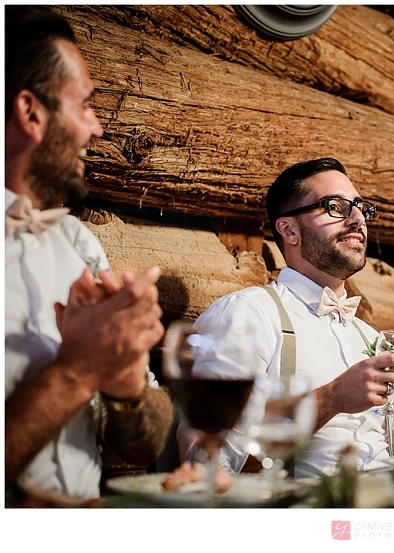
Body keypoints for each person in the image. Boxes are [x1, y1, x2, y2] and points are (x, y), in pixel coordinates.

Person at [5, 6, 173, 500]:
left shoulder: (78, 244)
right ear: (31, 112)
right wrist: (78, 371)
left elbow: (147, 445)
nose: (96, 128)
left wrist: (125, 383)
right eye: (84, 105)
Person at [187, 157, 394, 478]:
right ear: (289, 230)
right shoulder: (246, 315)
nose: (357, 220)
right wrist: (330, 399)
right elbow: (210, 463)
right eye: (335, 206)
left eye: (361, 208)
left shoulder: (372, 338)